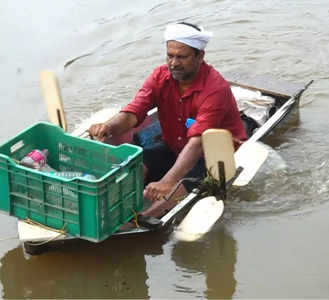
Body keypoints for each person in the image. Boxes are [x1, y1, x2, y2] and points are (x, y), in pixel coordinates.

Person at [89, 22, 247, 219]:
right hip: (175, 146)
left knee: (178, 187)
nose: (173, 63)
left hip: (211, 156)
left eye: (181, 57)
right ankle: (113, 207)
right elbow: (134, 111)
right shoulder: (160, 76)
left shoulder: (215, 88)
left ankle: (145, 219)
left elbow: (197, 142)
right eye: (170, 56)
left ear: (200, 56)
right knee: (138, 163)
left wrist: (168, 181)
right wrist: (108, 127)